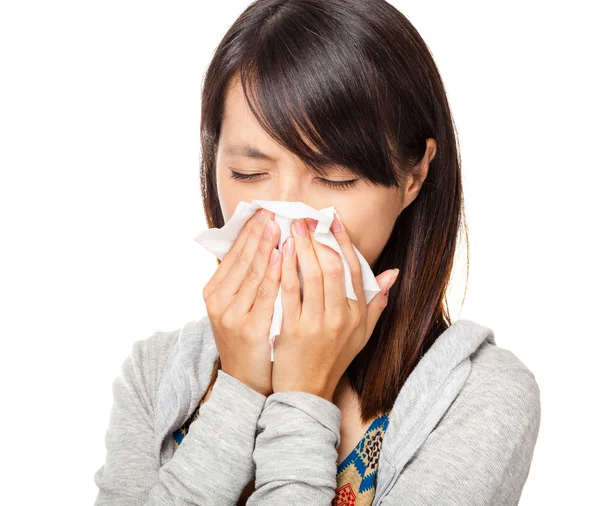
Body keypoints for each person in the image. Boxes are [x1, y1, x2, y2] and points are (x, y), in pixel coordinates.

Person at [93, 1, 541, 504]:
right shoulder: (156, 374)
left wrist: (302, 397)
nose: (290, 214)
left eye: (335, 178)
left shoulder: (478, 397)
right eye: (248, 173)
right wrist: (239, 389)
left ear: (413, 176)